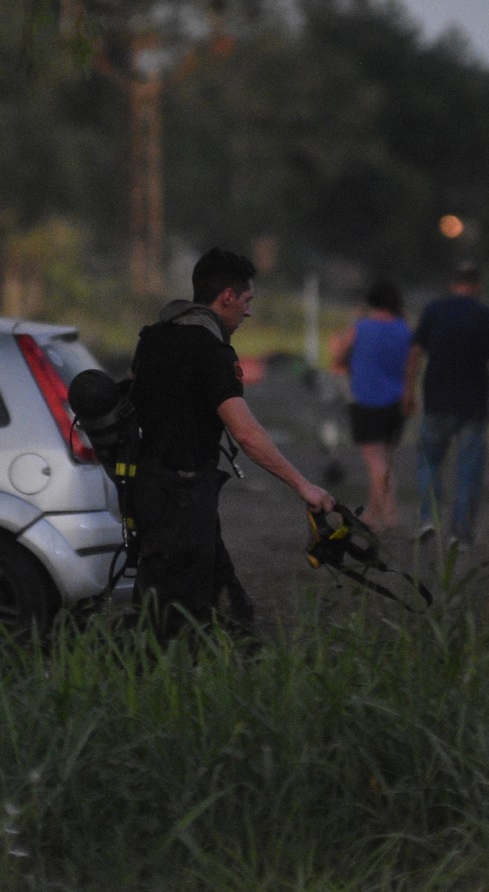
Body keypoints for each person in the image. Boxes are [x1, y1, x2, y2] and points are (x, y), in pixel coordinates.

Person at [128, 248, 334, 640]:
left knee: (217, 603)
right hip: (184, 500)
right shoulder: (211, 351)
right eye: (247, 300)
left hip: (150, 491)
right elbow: (246, 434)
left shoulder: (152, 339)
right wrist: (303, 486)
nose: (249, 311)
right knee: (176, 621)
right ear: (226, 296)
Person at [402, 261, 489, 549]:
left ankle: (428, 518)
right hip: (474, 404)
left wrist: (409, 392)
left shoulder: (434, 311)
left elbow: (415, 353)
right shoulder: (487, 316)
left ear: (453, 284)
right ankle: (460, 535)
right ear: (477, 286)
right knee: (468, 470)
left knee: (430, 463)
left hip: (437, 400)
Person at [329, 281, 411, 530]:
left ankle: (387, 515)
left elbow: (338, 358)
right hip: (396, 401)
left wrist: (336, 342)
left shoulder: (361, 327)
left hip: (365, 400)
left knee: (376, 462)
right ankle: (377, 511)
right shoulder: (405, 330)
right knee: (384, 459)